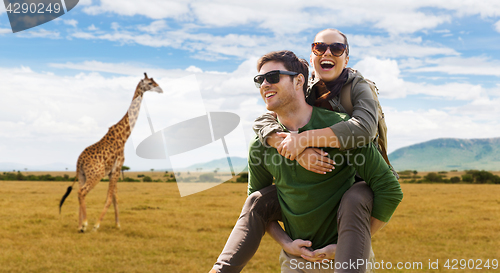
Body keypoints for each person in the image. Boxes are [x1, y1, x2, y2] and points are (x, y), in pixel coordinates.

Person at [210, 49, 402, 273]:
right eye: (259, 80)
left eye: (273, 77)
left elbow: (389, 190)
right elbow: (260, 208)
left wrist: (345, 245)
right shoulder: (261, 144)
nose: (264, 85)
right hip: (295, 262)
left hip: (346, 260)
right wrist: (286, 244)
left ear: (299, 80)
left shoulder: (340, 129)